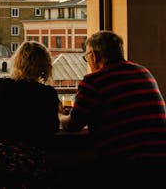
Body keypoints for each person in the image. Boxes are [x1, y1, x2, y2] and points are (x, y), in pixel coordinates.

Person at [59, 30, 166, 187]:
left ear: (94, 56)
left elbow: (73, 125)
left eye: (86, 57)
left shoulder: (94, 81)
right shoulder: (144, 72)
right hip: (160, 164)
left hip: (125, 166)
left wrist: (60, 116)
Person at [0, 41, 59, 189]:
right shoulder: (47, 94)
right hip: (27, 164)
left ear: (17, 62)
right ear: (44, 66)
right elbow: (51, 130)